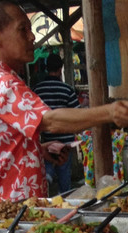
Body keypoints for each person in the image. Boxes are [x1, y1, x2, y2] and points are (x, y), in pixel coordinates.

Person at [0, 1, 128, 208]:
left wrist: (38, 149)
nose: (31, 36)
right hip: (15, 212)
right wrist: (109, 112)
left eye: (30, 29)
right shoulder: (0, 83)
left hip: (6, 207)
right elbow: (51, 121)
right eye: (22, 30)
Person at [32, 52, 80, 194]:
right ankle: (65, 198)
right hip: (66, 141)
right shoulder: (67, 90)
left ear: (46, 68)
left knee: (48, 166)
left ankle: (48, 180)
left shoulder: (37, 90)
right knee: (64, 173)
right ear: (60, 69)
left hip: (47, 139)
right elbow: (76, 113)